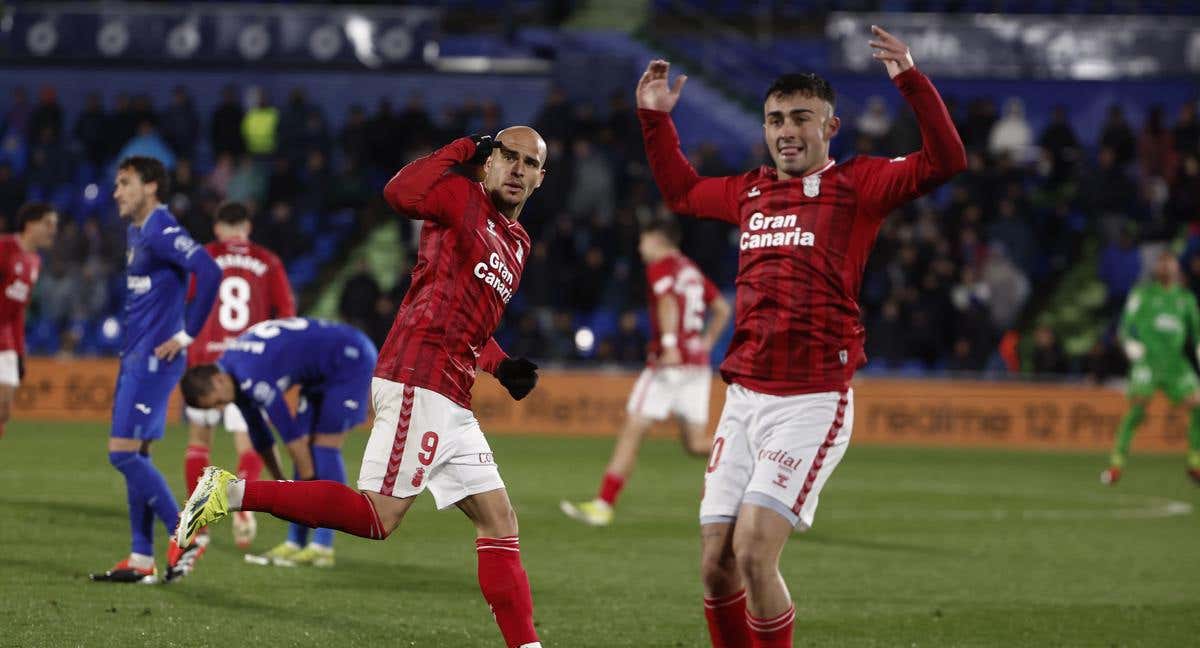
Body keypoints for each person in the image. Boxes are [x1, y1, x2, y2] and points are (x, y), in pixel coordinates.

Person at [636, 25, 966, 647]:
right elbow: (680, 191)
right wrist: (655, 120)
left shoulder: (859, 186)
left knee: (756, 554)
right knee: (715, 565)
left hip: (811, 400)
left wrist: (910, 80)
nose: (786, 129)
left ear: (829, 128)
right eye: (775, 118)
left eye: (801, 118)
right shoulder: (749, 192)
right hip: (743, 399)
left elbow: (946, 161)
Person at [179, 128, 546, 648]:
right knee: (378, 516)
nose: (516, 168)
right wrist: (463, 149)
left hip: (453, 391)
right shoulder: (460, 195)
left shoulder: (518, 243)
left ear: (539, 178)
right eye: (507, 156)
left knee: (499, 519)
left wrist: (501, 366)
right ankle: (229, 492)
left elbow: (470, 322)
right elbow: (399, 193)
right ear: (490, 162)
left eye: (528, 162)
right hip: (419, 378)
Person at [90, 156, 221, 584]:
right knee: (138, 454)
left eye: (124, 183)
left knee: (121, 452)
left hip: (155, 359)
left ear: (150, 187)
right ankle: (141, 558)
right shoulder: (137, 231)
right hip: (137, 355)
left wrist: (187, 336)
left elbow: (208, 269)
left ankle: (187, 531)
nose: (116, 192)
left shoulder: (162, 228)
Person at [561, 216, 730, 526]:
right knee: (695, 444)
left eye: (643, 241)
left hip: (669, 365)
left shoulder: (661, 267)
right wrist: (705, 341)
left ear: (657, 239)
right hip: (696, 365)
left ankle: (603, 505)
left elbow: (667, 302)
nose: (640, 248)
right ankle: (746, 458)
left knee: (633, 428)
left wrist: (669, 343)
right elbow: (722, 307)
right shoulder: (690, 269)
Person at [180, 317, 376, 567]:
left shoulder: (252, 376)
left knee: (321, 447)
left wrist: (298, 491)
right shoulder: (231, 375)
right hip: (319, 371)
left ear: (218, 381)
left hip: (349, 359)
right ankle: (295, 542)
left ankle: (322, 546)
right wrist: (283, 485)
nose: (222, 408)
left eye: (217, 402)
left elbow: (290, 434)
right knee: (305, 452)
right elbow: (261, 436)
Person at [182, 201, 294, 552]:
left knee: (199, 440)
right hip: (246, 365)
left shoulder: (202, 256)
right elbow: (286, 315)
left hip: (203, 362)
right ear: (247, 227)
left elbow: (183, 303)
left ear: (217, 228)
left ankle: (197, 519)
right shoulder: (268, 260)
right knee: (248, 443)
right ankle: (241, 505)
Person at [1102, 251, 1200, 486]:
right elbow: (1125, 326)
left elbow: (1197, 333)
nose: (1166, 267)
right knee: (1138, 409)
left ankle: (1195, 463)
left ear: (1177, 268)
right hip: (1148, 362)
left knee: (1198, 405)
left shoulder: (1186, 299)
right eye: (1162, 263)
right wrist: (1131, 345)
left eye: (1170, 263)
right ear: (1157, 269)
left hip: (1176, 364)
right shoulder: (1142, 294)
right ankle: (1116, 464)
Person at [0, 202, 58, 439]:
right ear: (31, 225)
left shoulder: (34, 261)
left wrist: (20, 352)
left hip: (6, 340)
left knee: (4, 411)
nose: (53, 230)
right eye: (49, 224)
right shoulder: (5, 247)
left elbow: (18, 312)